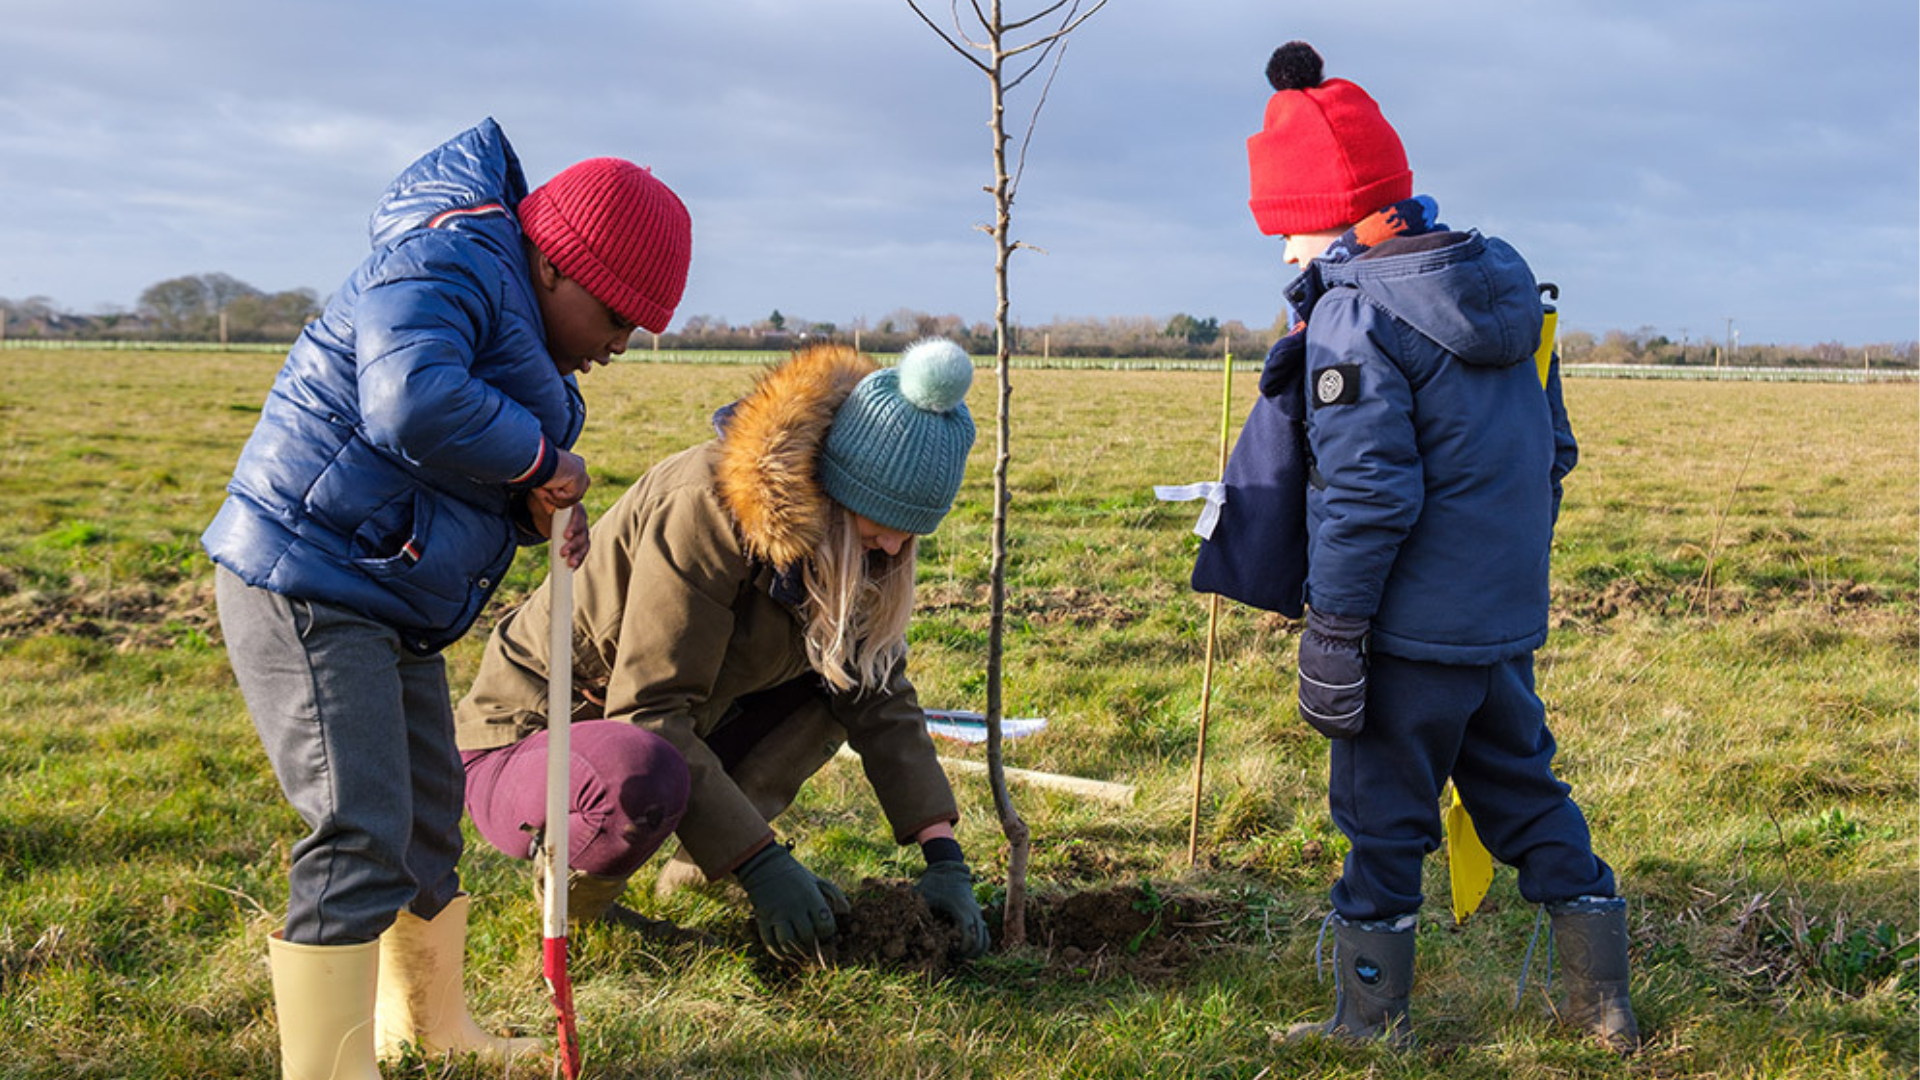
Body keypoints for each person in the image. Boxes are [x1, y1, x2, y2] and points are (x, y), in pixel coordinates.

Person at [203, 117, 693, 1077]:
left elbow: (442, 460)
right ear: (554, 264)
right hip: (306, 581)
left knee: (430, 817)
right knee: (358, 825)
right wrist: (541, 458)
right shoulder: (446, 259)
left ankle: (428, 1026)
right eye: (617, 314)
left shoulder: (512, 318)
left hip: (383, 596)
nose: (624, 342)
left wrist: (530, 503)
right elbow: (410, 401)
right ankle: (330, 1068)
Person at [1241, 44, 1639, 1052]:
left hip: (1407, 641)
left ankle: (1370, 1024)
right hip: (1499, 628)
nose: (1288, 253)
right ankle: (1603, 1007)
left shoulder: (1355, 314)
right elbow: (1552, 452)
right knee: (1528, 798)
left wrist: (1334, 632)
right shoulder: (1507, 292)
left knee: (1383, 826)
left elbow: (1369, 492)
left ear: (1335, 211)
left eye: (1288, 225)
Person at [453, 337, 992, 963]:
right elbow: (649, 710)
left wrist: (943, 853)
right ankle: (578, 904)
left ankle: (700, 868)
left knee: (836, 687)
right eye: (883, 526)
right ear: (838, 491)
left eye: (912, 534)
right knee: (638, 769)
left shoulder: (860, 544)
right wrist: (765, 865)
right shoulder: (705, 507)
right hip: (539, 738)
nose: (896, 549)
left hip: (665, 725)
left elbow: (877, 689)